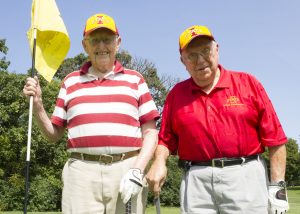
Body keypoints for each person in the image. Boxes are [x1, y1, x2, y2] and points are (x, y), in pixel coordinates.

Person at [23, 13, 160, 214]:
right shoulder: (70, 82)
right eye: (95, 40)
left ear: (118, 43)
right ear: (85, 45)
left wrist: (137, 170)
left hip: (127, 169)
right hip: (81, 173)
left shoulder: (136, 80)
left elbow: (150, 132)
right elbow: (54, 134)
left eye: (107, 39)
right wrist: (38, 106)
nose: (101, 46)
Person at [146, 25, 289, 214]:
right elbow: (166, 140)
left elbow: (275, 139)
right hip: (196, 182)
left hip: (244, 176)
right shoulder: (176, 95)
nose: (201, 60)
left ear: (217, 50)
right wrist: (158, 162)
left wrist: (278, 188)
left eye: (206, 50)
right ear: (183, 61)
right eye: (192, 55)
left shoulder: (248, 83)